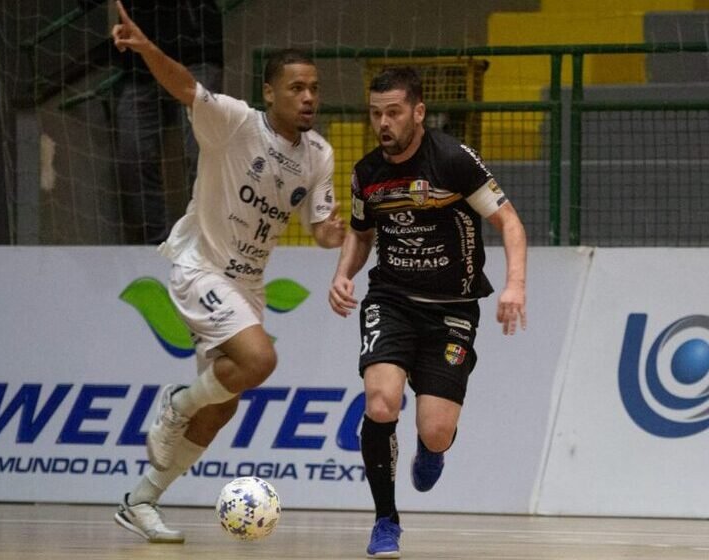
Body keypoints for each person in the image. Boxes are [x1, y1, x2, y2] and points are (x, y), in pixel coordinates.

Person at [109, 0, 345, 543]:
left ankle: (140, 500)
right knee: (259, 359)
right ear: (270, 92)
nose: (308, 97)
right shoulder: (234, 122)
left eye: (314, 88)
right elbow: (186, 85)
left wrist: (351, 230)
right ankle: (174, 404)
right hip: (202, 268)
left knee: (221, 409)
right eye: (296, 88)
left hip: (248, 284)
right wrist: (147, 49)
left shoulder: (319, 154)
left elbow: (322, 230)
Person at [328, 66, 527, 559]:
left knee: (435, 430)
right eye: (376, 114)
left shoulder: (453, 161)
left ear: (417, 111)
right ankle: (385, 522)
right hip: (391, 299)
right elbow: (360, 231)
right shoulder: (368, 173)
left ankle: (432, 451)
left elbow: (508, 221)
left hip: (453, 310)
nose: (383, 123)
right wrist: (342, 273)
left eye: (393, 112)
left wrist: (514, 286)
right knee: (381, 402)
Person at [80, 0, 224, 244]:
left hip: (196, 52)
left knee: (201, 154)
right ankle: (159, 243)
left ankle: (206, 242)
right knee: (132, 156)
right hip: (139, 62)